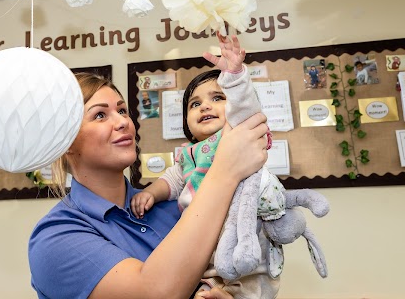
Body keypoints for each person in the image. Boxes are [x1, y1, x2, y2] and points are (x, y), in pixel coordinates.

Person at [28, 61, 269, 298]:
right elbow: (153, 292)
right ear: (65, 142)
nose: (123, 122)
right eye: (100, 115)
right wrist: (226, 169)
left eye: (122, 111)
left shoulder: (174, 208)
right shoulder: (55, 238)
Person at [131, 35, 281, 298]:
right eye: (195, 104)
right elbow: (173, 179)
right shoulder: (188, 155)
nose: (205, 106)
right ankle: (213, 291)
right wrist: (151, 193)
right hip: (204, 232)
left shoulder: (236, 134)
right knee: (207, 272)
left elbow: (247, 107)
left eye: (218, 98)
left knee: (253, 273)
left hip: (243, 228)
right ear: (186, 121)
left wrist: (235, 75)